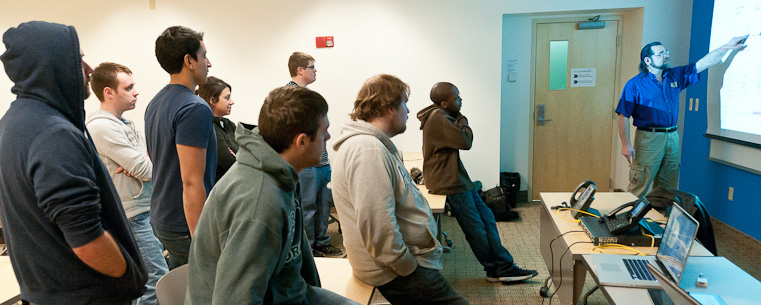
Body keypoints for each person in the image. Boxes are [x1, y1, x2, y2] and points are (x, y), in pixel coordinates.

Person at [0, 21, 146, 304]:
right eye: (78, 59)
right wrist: (127, 273)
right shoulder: (54, 133)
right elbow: (85, 236)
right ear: (51, 65)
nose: (89, 69)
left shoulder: (13, 124)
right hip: (86, 295)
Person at [186, 86, 359, 305]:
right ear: (302, 142)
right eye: (324, 131)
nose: (328, 137)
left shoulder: (282, 173)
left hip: (289, 293)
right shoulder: (259, 202)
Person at [332, 74, 469, 304]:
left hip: (396, 265)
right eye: (404, 103)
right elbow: (378, 228)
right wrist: (408, 267)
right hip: (394, 271)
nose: (408, 110)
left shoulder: (373, 145)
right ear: (389, 108)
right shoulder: (367, 150)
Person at [418, 82, 539, 283]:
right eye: (456, 98)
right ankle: (496, 270)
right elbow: (466, 141)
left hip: (457, 179)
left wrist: (457, 115)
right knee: (476, 229)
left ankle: (504, 265)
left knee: (487, 218)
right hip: (450, 182)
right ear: (444, 103)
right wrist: (462, 118)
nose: (461, 100)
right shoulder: (439, 117)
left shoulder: (442, 114)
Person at [617, 36, 747, 197]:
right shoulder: (634, 84)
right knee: (640, 183)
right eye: (660, 54)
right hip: (648, 138)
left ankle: (663, 219)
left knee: (668, 186)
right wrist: (625, 144)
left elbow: (704, 63)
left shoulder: (674, 76)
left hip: (672, 137)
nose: (666, 55)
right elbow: (623, 115)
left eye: (666, 52)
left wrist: (726, 47)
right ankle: (629, 219)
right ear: (648, 60)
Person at [86, 62, 169, 305]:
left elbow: (147, 163)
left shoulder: (125, 124)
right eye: (128, 87)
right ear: (109, 92)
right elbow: (146, 168)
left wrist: (143, 163)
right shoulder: (101, 127)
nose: (136, 92)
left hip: (145, 210)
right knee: (155, 282)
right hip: (133, 216)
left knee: (147, 282)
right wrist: (143, 163)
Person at [145, 25, 215, 269]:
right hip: (184, 224)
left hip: (163, 217)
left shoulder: (155, 102)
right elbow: (191, 181)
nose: (209, 63)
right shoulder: (194, 108)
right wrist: (202, 241)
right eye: (204, 56)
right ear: (189, 61)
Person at [285, 51, 343, 257]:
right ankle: (308, 248)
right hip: (306, 164)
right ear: (299, 70)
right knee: (308, 208)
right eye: (311, 67)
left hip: (322, 162)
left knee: (323, 206)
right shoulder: (288, 96)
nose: (315, 70)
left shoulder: (308, 95)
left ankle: (322, 242)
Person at [197, 76, 238, 182]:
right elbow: (231, 163)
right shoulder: (209, 128)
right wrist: (239, 157)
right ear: (213, 100)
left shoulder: (229, 125)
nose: (232, 102)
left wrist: (239, 157)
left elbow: (248, 154)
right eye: (227, 98)